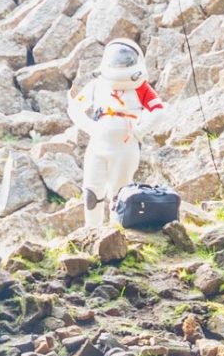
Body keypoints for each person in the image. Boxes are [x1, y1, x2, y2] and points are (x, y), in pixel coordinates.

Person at [67, 37, 165, 225]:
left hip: (126, 146)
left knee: (120, 193)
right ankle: (91, 230)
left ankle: (116, 231)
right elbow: (74, 108)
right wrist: (91, 127)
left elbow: (159, 111)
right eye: (117, 58)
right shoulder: (97, 85)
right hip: (99, 144)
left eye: (125, 59)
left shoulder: (141, 87)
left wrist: (139, 131)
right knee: (91, 191)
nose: (120, 62)